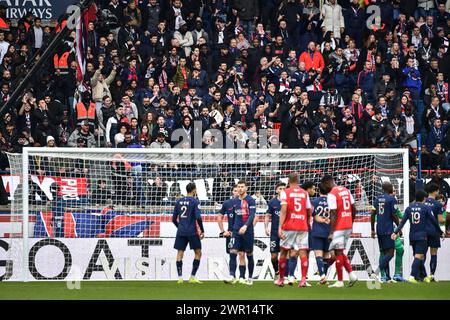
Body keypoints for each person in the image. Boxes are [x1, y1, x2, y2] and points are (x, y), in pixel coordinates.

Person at [392, 190, 444, 283]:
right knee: (419, 256)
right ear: (424, 198)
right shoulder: (426, 208)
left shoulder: (409, 208)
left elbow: (402, 222)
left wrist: (395, 232)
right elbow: (434, 221)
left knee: (419, 256)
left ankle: (423, 276)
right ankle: (412, 276)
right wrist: (440, 232)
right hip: (422, 236)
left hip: (412, 236)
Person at [275, 172, 312, 288]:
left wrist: (280, 227)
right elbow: (308, 210)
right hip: (302, 226)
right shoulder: (305, 193)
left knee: (284, 252)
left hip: (289, 226)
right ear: (298, 180)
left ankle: (281, 279)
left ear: (288, 181)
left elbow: (284, 210)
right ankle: (303, 280)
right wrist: (306, 221)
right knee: (303, 253)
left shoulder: (285, 192)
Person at [321, 174, 358, 288]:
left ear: (327, 183)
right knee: (340, 252)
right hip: (348, 225)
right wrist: (351, 223)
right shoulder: (346, 190)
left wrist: (332, 232)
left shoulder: (332, 194)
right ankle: (351, 275)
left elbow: (333, 213)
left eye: (324, 185)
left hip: (339, 227)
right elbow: (354, 208)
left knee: (337, 253)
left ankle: (340, 281)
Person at [224, 180, 256, 285]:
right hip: (236, 232)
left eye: (242, 187)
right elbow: (233, 217)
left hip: (248, 232)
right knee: (233, 253)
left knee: (249, 255)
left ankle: (250, 278)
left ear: (246, 188)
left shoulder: (250, 200)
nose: (240, 188)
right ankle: (232, 276)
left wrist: (246, 226)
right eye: (239, 187)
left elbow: (251, 215)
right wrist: (231, 229)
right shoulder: (234, 201)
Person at [172, 182, 205, 284]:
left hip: (181, 231)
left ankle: (180, 278)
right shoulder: (195, 202)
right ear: (194, 190)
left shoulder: (179, 201)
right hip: (192, 231)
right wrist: (202, 230)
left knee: (180, 253)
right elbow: (198, 217)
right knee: (198, 252)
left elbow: (173, 219)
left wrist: (180, 227)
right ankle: (192, 277)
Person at [371, 182, 400, 283]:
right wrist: (399, 228)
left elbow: (372, 214)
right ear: (390, 188)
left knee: (385, 253)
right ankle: (376, 272)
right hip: (388, 230)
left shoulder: (377, 199)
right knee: (391, 253)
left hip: (379, 229)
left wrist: (372, 229)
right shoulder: (392, 199)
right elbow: (394, 215)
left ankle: (387, 277)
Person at [310, 183, 333, 285]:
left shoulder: (314, 202)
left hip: (317, 231)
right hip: (329, 232)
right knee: (327, 255)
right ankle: (324, 276)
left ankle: (322, 276)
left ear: (319, 191)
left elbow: (310, 215)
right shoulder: (332, 202)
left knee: (318, 254)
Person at [423, 183, 445, 282]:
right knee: (433, 253)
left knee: (421, 254)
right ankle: (431, 275)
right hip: (433, 231)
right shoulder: (438, 204)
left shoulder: (422, 202)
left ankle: (421, 275)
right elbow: (441, 220)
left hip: (422, 231)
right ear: (436, 191)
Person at [264, 182, 286, 281]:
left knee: (284, 254)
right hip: (274, 232)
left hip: (285, 232)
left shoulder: (288, 202)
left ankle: (284, 275)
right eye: (280, 188)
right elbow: (268, 216)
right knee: (274, 256)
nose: (282, 190)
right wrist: (266, 227)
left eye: (284, 188)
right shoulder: (272, 202)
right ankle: (276, 271)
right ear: (277, 190)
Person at [217, 186, 238, 281]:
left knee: (244, 254)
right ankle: (232, 276)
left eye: (239, 190)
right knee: (232, 254)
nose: (237, 192)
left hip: (243, 234)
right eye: (235, 190)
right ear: (232, 192)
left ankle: (243, 277)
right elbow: (219, 217)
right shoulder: (227, 203)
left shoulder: (247, 202)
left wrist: (248, 229)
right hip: (231, 233)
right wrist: (223, 231)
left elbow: (255, 218)